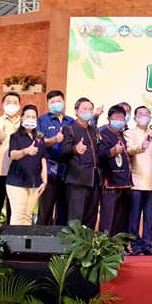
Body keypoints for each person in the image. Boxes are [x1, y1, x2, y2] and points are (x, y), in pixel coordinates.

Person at [5, 105, 47, 225]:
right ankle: (14, 238)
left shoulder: (40, 137)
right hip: (17, 181)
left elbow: (43, 159)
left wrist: (45, 180)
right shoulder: (15, 136)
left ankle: (25, 238)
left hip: (34, 182)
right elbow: (13, 154)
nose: (30, 119)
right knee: (18, 215)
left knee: (28, 216)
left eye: (33, 117)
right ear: (22, 118)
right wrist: (26, 151)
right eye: (28, 116)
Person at [62, 97, 100, 228]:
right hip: (77, 179)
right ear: (76, 111)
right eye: (84, 109)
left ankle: (88, 240)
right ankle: (74, 241)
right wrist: (75, 149)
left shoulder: (93, 130)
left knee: (91, 217)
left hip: (94, 179)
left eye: (90, 109)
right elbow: (63, 152)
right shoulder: (69, 129)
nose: (88, 111)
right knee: (76, 218)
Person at [38, 90, 74, 225]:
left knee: (63, 209)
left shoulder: (71, 121)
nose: (56, 104)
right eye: (52, 102)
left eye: (58, 101)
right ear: (48, 104)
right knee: (45, 209)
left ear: (63, 102)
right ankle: (42, 235)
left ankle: (60, 236)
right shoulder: (42, 120)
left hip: (67, 171)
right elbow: (38, 141)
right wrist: (54, 139)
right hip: (49, 170)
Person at [125, 105, 152, 255]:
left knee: (149, 217)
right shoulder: (129, 133)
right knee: (134, 217)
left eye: (146, 114)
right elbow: (129, 150)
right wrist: (141, 146)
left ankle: (147, 244)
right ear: (135, 117)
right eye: (140, 114)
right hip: (136, 181)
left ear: (150, 117)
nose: (144, 116)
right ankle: (135, 245)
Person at [97, 105, 132, 237]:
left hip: (124, 183)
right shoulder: (103, 134)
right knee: (108, 218)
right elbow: (100, 155)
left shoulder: (123, 135)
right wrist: (112, 151)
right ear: (109, 119)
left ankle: (117, 245)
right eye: (115, 118)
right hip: (110, 183)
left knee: (120, 219)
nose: (119, 121)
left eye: (121, 118)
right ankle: (104, 244)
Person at [0, 92, 22, 227]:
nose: (11, 105)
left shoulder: (24, 123)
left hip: (17, 172)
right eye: (8, 102)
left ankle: (11, 235)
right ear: (2, 104)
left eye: (15, 102)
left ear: (19, 105)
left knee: (14, 208)